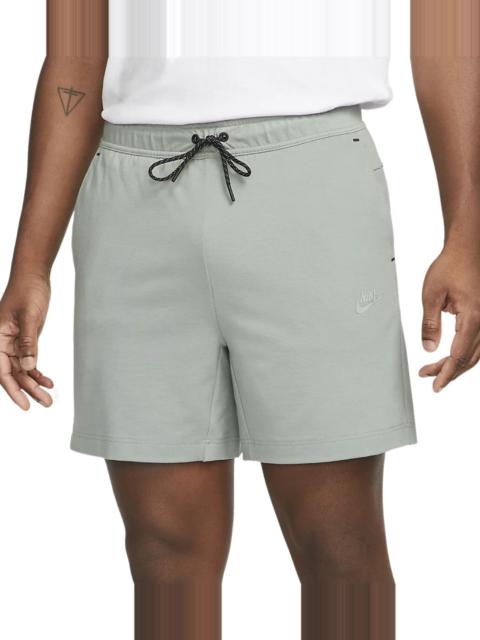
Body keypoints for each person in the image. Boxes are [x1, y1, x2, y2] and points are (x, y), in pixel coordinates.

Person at [1, 1, 479, 638]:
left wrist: (467, 235)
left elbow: (448, 28)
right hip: (130, 192)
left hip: (309, 181)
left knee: (338, 546)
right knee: (162, 550)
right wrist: (31, 265)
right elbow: (75, 52)